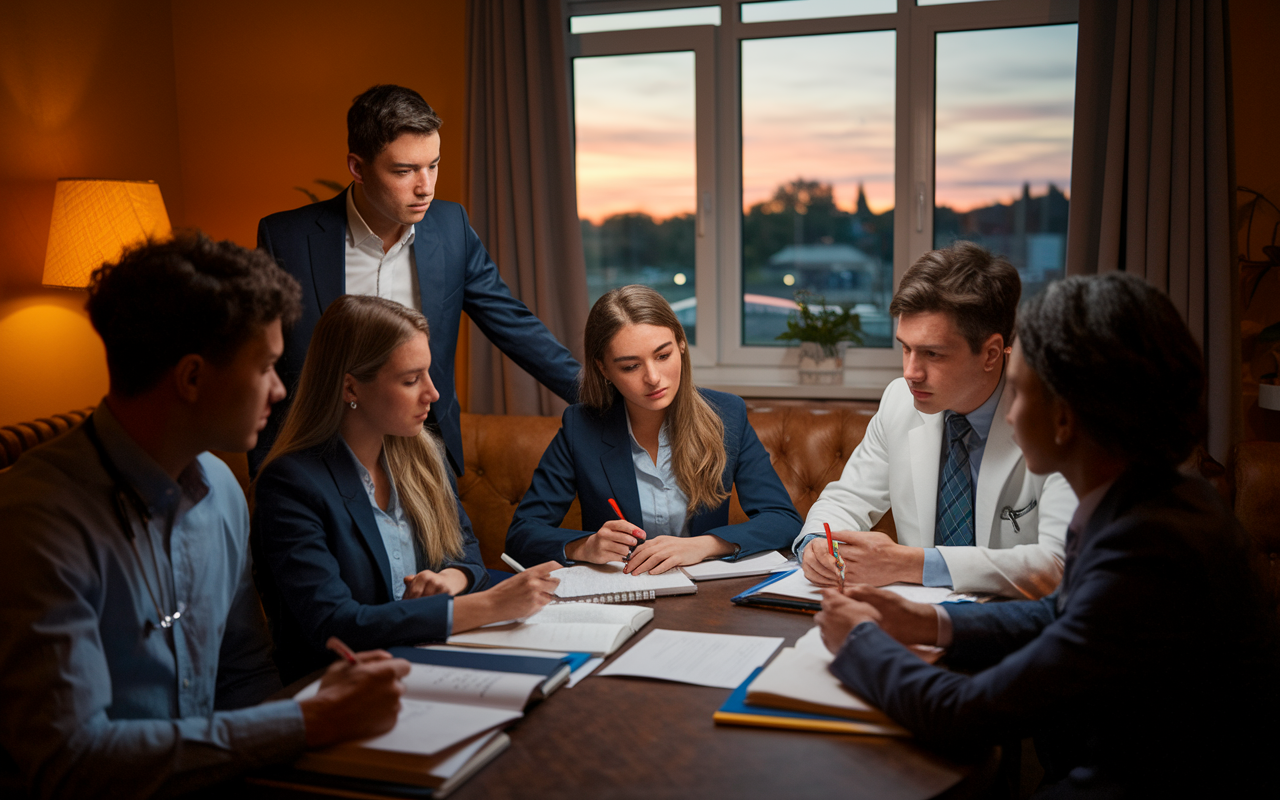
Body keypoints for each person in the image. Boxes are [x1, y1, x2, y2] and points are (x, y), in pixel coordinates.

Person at [815, 273, 1279, 797]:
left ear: (1063, 419)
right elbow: (1059, 615)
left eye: (1019, 390)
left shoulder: (1150, 550)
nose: (1008, 412)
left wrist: (860, 643)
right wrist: (927, 619)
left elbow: (966, 714)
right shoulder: (1151, 500)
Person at [0, 235, 413, 799]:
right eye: (266, 365)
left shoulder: (222, 490)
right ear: (192, 378)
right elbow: (70, 762)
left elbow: (244, 672)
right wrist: (310, 721)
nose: (280, 388)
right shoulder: (36, 522)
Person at [254, 84, 581, 477]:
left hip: (424, 450)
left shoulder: (451, 227)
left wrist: (597, 396)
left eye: (433, 165)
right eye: (405, 171)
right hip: (317, 454)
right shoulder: (286, 238)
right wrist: (265, 471)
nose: (425, 186)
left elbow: (514, 324)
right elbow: (258, 358)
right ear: (358, 167)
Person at [252, 294, 562, 683]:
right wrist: (485, 606)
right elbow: (335, 625)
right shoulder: (291, 484)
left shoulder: (423, 456)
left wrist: (453, 580)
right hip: (342, 687)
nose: (432, 393)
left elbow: (467, 555)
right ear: (351, 388)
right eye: (411, 379)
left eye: (428, 374)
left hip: (434, 663)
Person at [794, 241, 1076, 598]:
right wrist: (817, 543)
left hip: (1017, 629)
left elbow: (1058, 564)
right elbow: (845, 500)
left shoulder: (1053, 418)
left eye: (932, 353)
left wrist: (912, 564)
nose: (911, 372)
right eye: (905, 348)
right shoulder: (900, 400)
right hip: (918, 619)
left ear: (990, 353)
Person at [506, 285, 802, 575]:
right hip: (623, 592)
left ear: (681, 345)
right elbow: (522, 535)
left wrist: (705, 545)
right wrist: (584, 546)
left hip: (708, 598)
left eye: (663, 355)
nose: (653, 377)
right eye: (631, 366)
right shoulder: (580, 427)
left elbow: (783, 520)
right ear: (604, 370)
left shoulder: (727, 415)